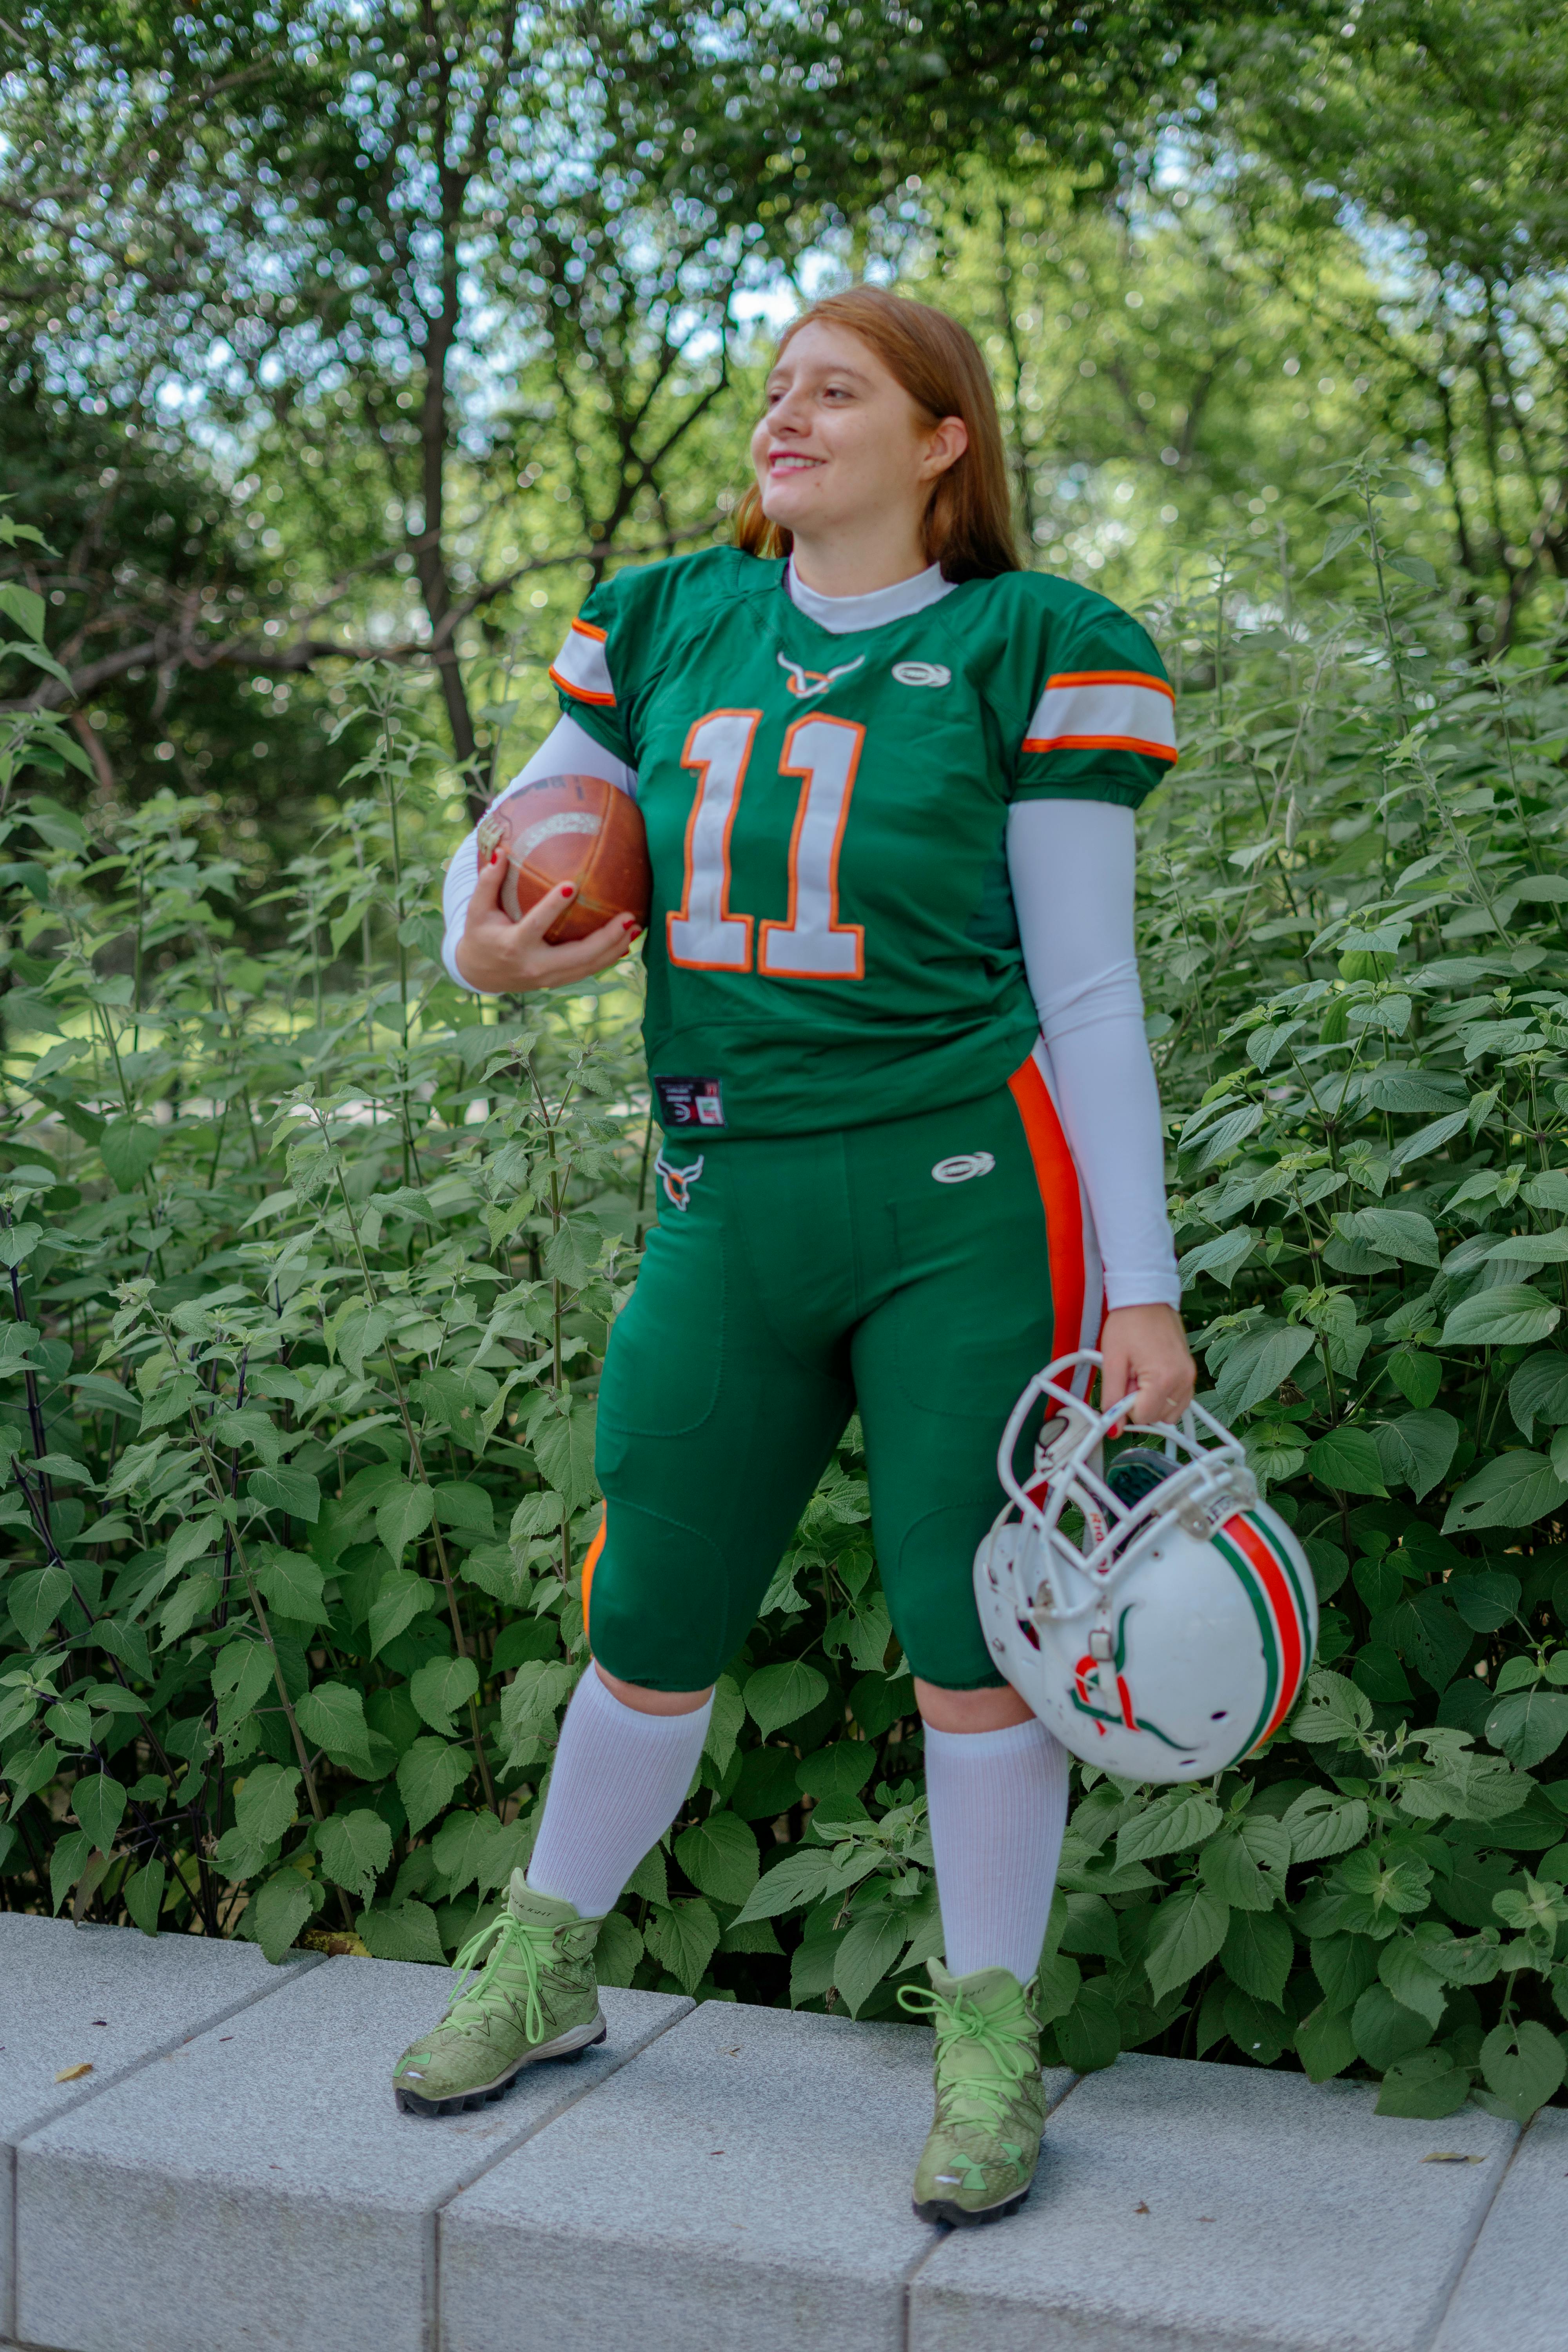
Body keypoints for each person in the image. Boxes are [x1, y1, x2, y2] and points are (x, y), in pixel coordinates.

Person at [393, 285, 1195, 2226]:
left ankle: (990, 2036)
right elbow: (509, 843)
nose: (783, 415)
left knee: (970, 1640)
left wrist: (1145, 1288)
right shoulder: (666, 616)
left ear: (941, 443)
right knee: (648, 1606)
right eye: (773, 389)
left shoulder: (1033, 646)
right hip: (724, 1196)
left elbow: (1088, 990)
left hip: (963, 1211)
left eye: (834, 390)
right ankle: (548, 1958)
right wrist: (474, 941)